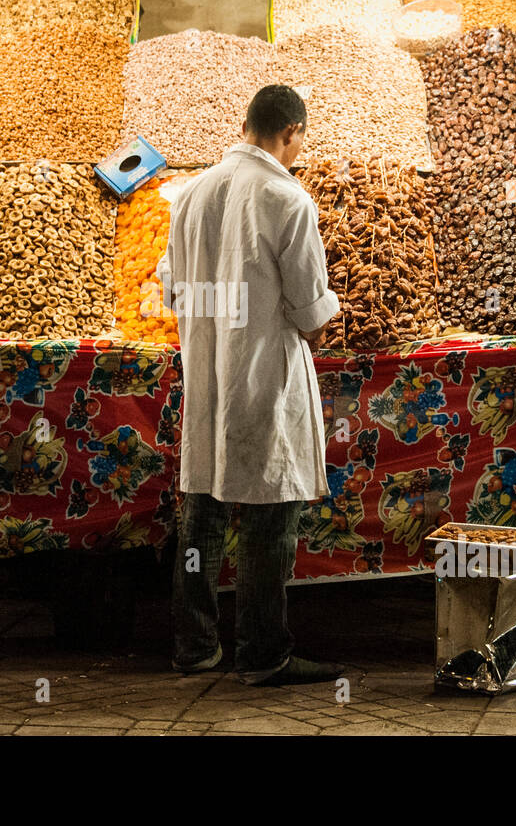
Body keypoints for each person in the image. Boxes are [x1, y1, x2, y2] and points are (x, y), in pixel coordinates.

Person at [158, 84, 343, 686]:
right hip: (262, 376)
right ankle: (263, 654)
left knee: (203, 511)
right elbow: (312, 308)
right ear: (290, 132)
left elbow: (171, 293)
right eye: (301, 141)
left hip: (206, 374)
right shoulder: (285, 197)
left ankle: (195, 644)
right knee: (269, 515)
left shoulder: (189, 194)